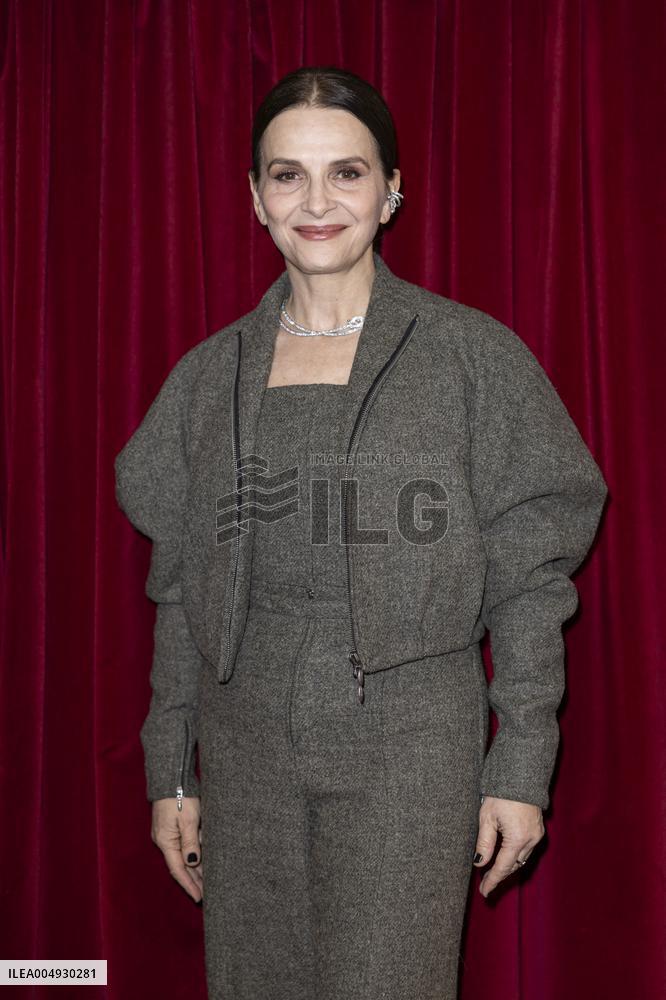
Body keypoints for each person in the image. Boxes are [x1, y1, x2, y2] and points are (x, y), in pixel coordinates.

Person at [114, 65, 608, 1000]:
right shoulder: (209, 377)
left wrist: (520, 764)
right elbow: (179, 587)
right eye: (287, 175)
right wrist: (171, 771)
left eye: (346, 172)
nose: (316, 203)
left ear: (391, 190)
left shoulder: (471, 357)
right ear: (254, 197)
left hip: (411, 737)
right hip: (244, 738)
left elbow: (530, 578)